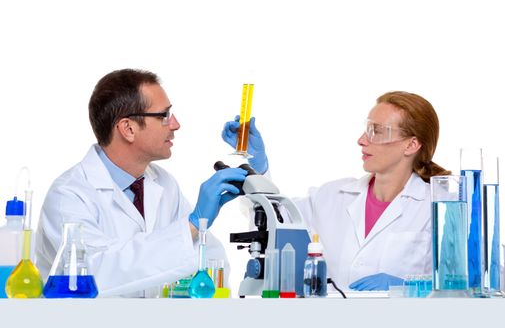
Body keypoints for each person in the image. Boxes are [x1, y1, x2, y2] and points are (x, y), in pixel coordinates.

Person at [36, 69, 248, 297]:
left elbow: (214, 264)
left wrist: (254, 172)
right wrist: (192, 226)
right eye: (164, 115)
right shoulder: (69, 196)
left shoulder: (165, 185)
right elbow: (94, 275)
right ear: (128, 128)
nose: (176, 124)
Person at [222, 91, 451, 291]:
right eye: (366, 129)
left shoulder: (440, 206)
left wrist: (410, 287)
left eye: (377, 131)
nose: (362, 140)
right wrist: (258, 170)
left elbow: (462, 283)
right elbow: (273, 223)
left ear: (411, 145)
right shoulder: (331, 197)